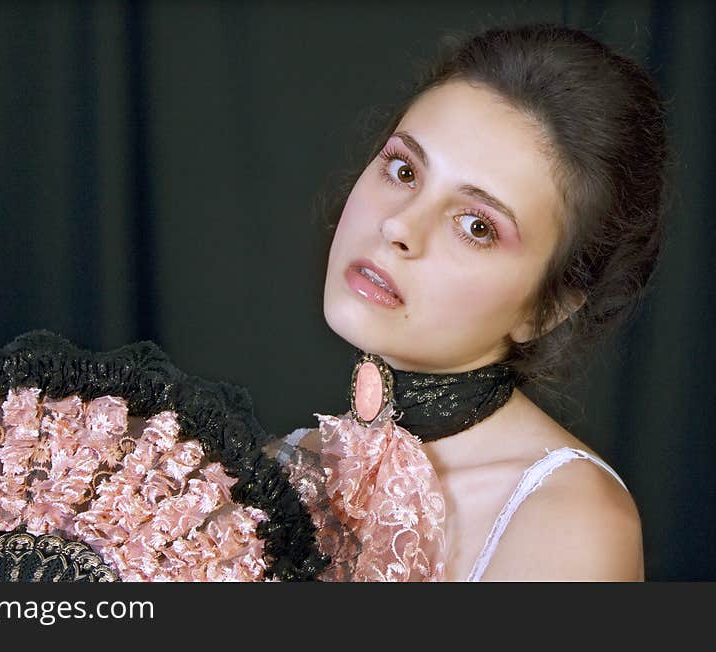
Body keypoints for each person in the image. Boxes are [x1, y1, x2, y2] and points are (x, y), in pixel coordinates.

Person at [266, 23, 668, 581]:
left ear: (548, 308)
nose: (399, 224)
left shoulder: (569, 521)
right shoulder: (277, 466)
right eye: (403, 169)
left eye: (477, 225)